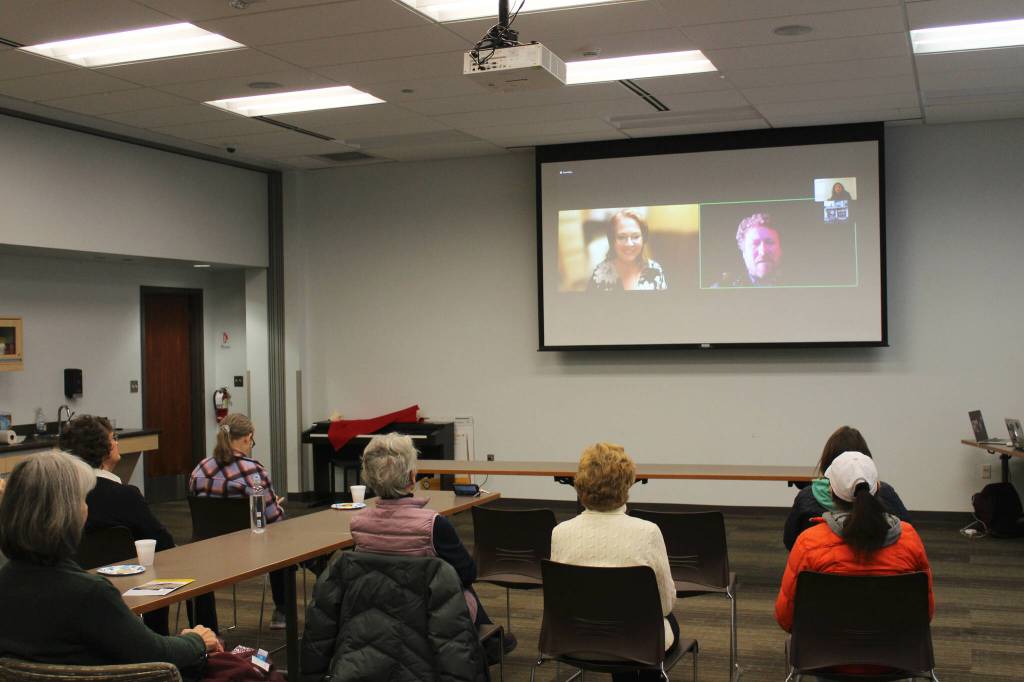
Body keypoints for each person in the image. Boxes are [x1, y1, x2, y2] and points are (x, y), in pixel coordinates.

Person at [0, 450, 220, 674]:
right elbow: (156, 654)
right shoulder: (90, 594)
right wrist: (196, 640)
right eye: (82, 499)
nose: (87, 508)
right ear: (66, 514)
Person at [348, 433, 515, 656]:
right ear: (411, 476)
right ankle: (486, 645)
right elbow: (468, 573)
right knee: (458, 580)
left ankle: (490, 644)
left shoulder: (358, 523)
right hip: (430, 616)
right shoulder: (433, 524)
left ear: (369, 478)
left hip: (380, 612)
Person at [775, 451, 934, 674]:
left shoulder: (809, 543)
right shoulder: (909, 539)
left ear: (830, 492)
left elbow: (786, 618)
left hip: (825, 659)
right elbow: (925, 613)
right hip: (897, 658)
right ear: (878, 488)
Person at [550, 443, 677, 681]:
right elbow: (665, 605)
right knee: (656, 623)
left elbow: (560, 600)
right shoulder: (647, 532)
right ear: (627, 484)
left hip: (575, 636)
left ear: (580, 484)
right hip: (634, 641)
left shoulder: (560, 532)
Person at [61, 415, 176, 634]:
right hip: (133, 589)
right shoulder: (124, 496)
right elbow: (164, 544)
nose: (117, 442)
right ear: (103, 450)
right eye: (114, 438)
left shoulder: (63, 495)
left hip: (74, 590)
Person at [189, 413, 288, 630]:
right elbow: (273, 519)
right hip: (249, 553)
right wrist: (275, 504)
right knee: (283, 541)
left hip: (205, 551)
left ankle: (206, 628)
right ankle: (282, 611)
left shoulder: (200, 470)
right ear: (246, 438)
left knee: (199, 557)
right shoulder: (253, 472)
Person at [783, 426, 910, 550]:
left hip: (821, 567)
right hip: (887, 568)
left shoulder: (807, 497)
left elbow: (791, 542)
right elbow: (907, 534)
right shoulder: (886, 493)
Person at [588, 209, 667, 291]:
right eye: (621, 237)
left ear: (643, 239)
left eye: (635, 236)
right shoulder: (599, 274)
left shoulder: (655, 270)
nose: (629, 244)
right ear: (612, 241)